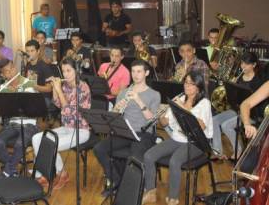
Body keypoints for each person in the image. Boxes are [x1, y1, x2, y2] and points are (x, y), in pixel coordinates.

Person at [143, 71, 213, 205]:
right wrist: (160, 116)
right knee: (148, 156)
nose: (187, 86)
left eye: (191, 84)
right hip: (177, 139)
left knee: (175, 161)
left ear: (198, 86)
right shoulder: (179, 98)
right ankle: (151, 191)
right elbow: (165, 124)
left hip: (197, 142)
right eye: (186, 82)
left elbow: (202, 126)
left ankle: (173, 198)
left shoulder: (204, 103)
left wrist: (181, 107)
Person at [94, 59, 160, 197]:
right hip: (124, 131)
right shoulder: (124, 92)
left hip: (144, 134)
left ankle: (133, 188)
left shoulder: (154, 94)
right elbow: (113, 117)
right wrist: (117, 109)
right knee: (99, 149)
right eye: (133, 71)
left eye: (139, 71)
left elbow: (152, 120)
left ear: (146, 73)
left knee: (134, 157)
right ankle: (117, 180)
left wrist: (138, 99)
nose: (135, 75)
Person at [32, 57, 91, 190]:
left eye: (69, 70)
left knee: (50, 145)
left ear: (76, 71)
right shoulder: (65, 86)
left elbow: (69, 111)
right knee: (36, 138)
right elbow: (58, 104)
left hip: (80, 130)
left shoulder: (83, 87)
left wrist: (58, 90)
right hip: (66, 127)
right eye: (64, 71)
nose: (66, 74)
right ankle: (42, 175)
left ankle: (59, 174)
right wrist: (54, 88)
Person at [0, 59, 40, 177]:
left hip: (30, 124)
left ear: (15, 68)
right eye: (7, 72)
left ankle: (8, 170)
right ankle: (12, 169)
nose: (11, 73)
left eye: (12, 69)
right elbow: (1, 110)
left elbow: (33, 106)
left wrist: (16, 94)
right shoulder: (3, 87)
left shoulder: (28, 83)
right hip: (12, 124)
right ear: (3, 75)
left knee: (19, 144)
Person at [212, 52, 263, 159]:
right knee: (214, 120)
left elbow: (254, 104)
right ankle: (217, 152)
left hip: (250, 114)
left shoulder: (258, 82)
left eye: (247, 64)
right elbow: (233, 100)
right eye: (242, 63)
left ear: (254, 65)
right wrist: (231, 86)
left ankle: (238, 150)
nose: (243, 66)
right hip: (237, 110)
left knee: (226, 125)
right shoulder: (239, 78)